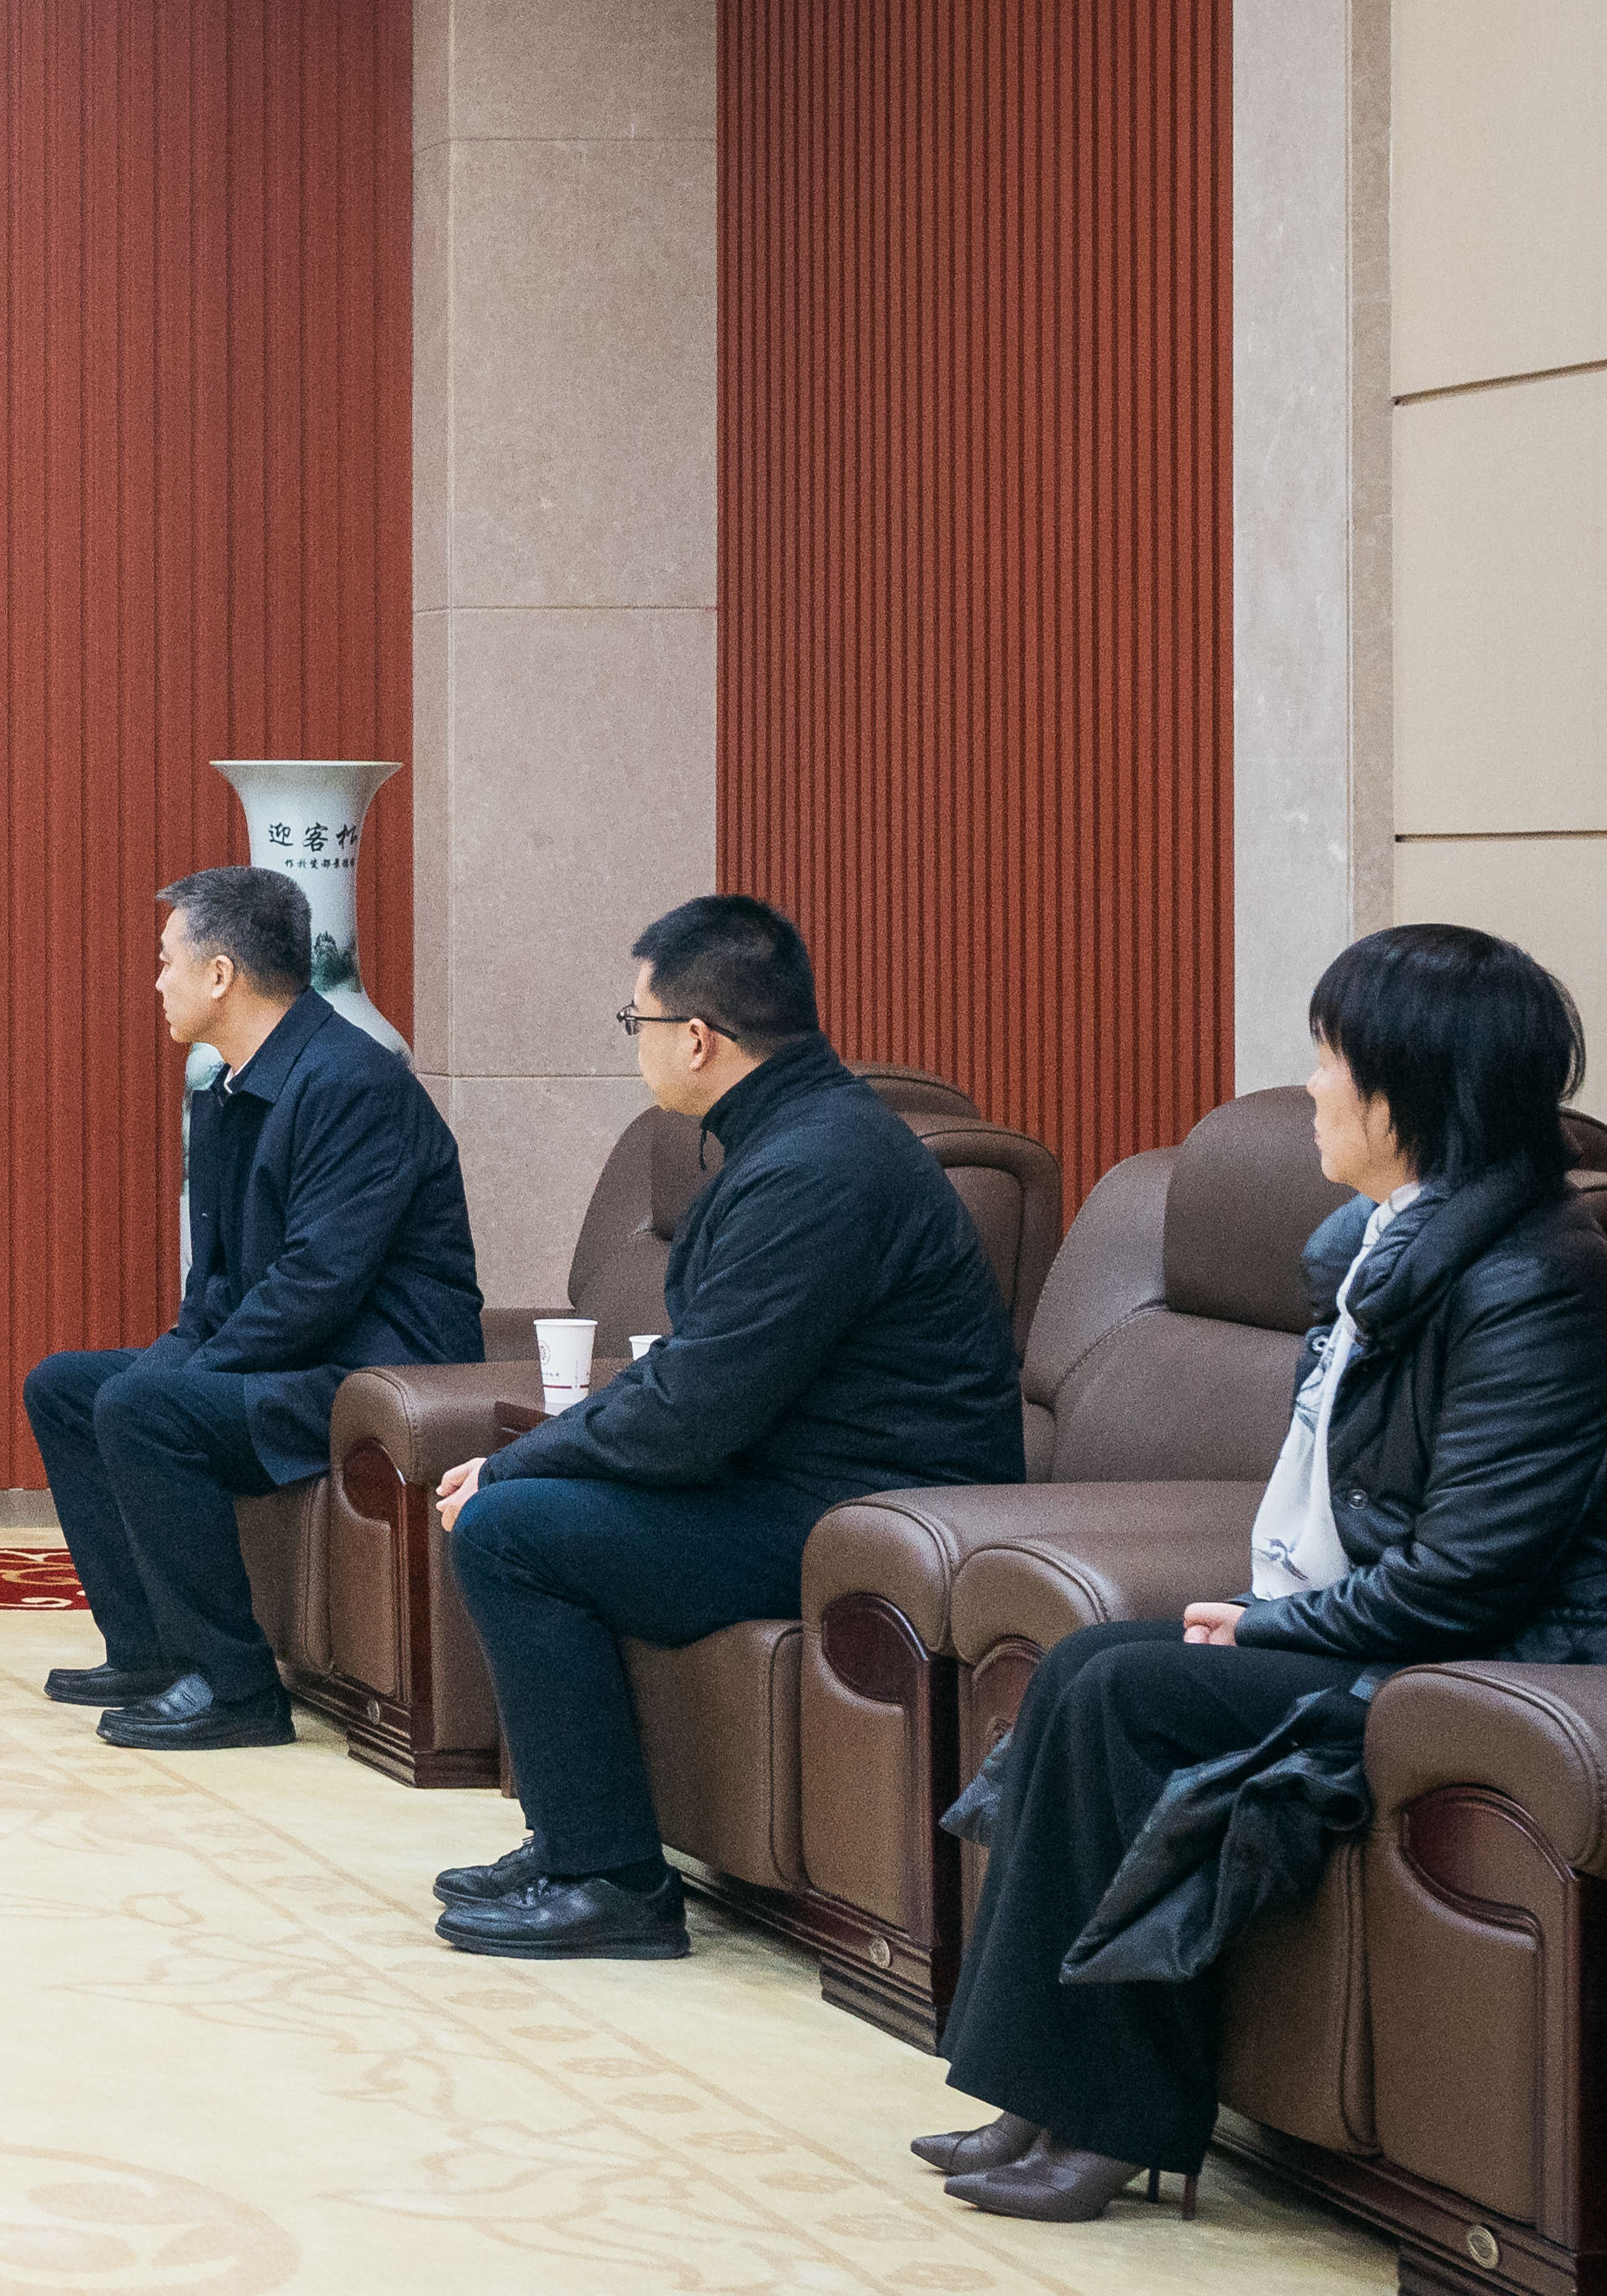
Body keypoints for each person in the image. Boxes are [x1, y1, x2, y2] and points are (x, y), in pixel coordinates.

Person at [922, 926, 1607, 2220]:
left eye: (1330, 1057)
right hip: (1380, 1625)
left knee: (1124, 1694)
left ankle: (1114, 2120)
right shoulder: (1386, 1246)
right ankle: (1037, 2085)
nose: (1311, 1086)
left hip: (1485, 1654)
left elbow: (1472, 1572)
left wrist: (1275, 1624)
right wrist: (1271, 1613)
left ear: (1414, 1087)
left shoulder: (1534, 1282)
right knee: (1081, 1668)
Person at [430, 895, 1023, 1957]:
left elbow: (691, 1412)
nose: (635, 1046)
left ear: (696, 1038)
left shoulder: (815, 1167)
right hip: (799, 1484)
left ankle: (609, 1881)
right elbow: (700, 1384)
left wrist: (513, 1466)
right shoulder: (795, 1135)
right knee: (529, 1505)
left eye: (637, 1022)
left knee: (509, 1531)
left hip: (865, 1516)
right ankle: (570, 1839)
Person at [25, 865, 487, 1752]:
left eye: (166, 960)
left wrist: (180, 1378)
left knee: (143, 1405)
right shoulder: (230, 1088)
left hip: (372, 1370)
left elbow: (315, 1285)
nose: (156, 981)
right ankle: (150, 1650)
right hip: (298, 1355)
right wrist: (176, 1359)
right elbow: (214, 1285)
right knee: (65, 1387)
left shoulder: (352, 1083)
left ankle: (237, 1690)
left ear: (219, 974)